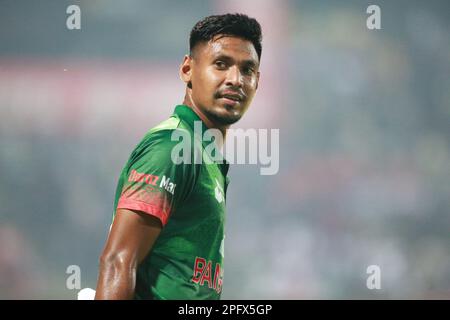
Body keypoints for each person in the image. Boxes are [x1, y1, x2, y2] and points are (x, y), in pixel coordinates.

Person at [95, 13, 262, 300]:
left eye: (247, 70)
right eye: (221, 64)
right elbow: (118, 260)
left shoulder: (203, 155)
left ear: (257, 81)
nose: (235, 80)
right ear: (187, 69)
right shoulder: (172, 146)